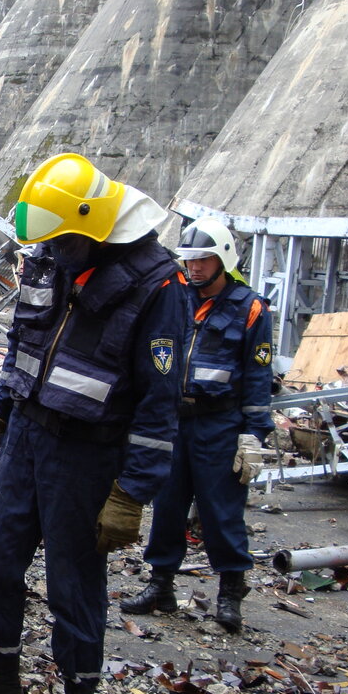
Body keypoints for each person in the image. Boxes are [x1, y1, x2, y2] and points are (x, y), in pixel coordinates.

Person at [0, 153, 187, 694]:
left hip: (89, 454)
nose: (50, 251)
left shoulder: (160, 287)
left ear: (92, 227)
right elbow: (24, 342)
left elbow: (161, 404)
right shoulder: (51, 253)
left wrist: (131, 493)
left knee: (75, 587)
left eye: (61, 241)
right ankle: (2, 688)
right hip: (26, 436)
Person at [120, 218, 273, 633]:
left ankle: (229, 595)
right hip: (173, 422)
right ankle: (161, 586)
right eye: (189, 259)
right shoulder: (175, 298)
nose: (195, 267)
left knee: (221, 513)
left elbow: (258, 375)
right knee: (167, 508)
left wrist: (254, 434)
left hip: (219, 424)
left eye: (204, 259)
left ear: (223, 258)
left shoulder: (250, 307)